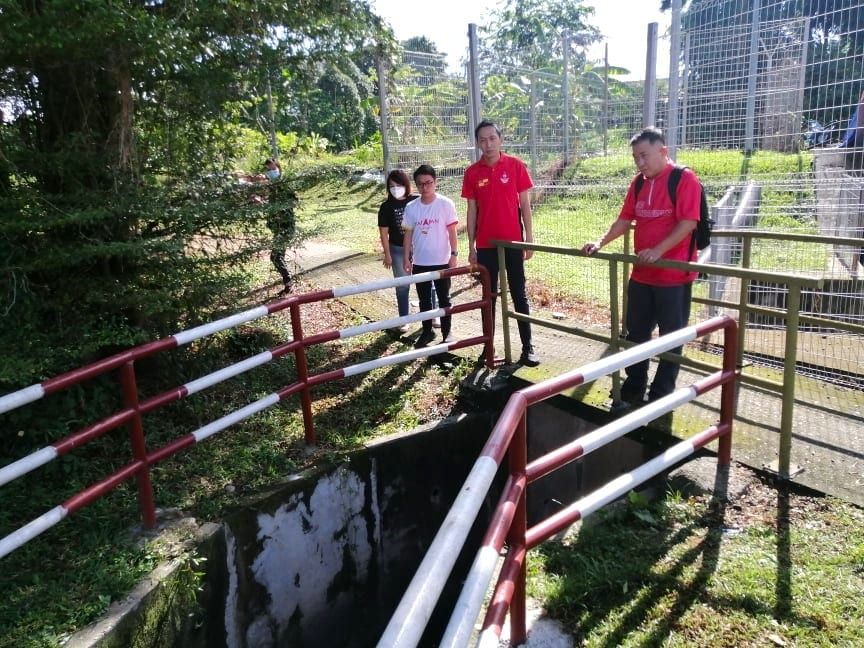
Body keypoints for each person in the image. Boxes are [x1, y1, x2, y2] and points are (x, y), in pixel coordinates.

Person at [582, 127, 701, 407]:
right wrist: (600, 242)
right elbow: (625, 219)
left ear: (663, 151)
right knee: (636, 333)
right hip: (642, 275)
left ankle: (661, 394)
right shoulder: (638, 183)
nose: (640, 162)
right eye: (636, 157)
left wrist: (659, 251)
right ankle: (634, 385)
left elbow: (688, 223)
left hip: (673, 276)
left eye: (644, 155)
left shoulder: (684, 179)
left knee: (671, 338)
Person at [461, 119, 539, 366]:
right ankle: (488, 348)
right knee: (489, 298)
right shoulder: (472, 172)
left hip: (513, 244)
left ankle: (528, 347)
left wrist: (529, 238)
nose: (488, 144)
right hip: (486, 245)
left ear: (500, 139)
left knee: (519, 295)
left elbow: (524, 204)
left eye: (492, 138)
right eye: (483, 140)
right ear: (477, 143)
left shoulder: (515, 166)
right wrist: (471, 246)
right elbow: (472, 211)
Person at [402, 164, 459, 348]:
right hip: (420, 261)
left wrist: (454, 254)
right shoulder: (411, 207)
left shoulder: (445, 204)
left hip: (442, 260)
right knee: (424, 300)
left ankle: (447, 332)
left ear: (435, 182)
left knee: (444, 298)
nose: (425, 187)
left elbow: (452, 232)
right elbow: (408, 234)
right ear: (416, 185)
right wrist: (406, 257)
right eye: (420, 184)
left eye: (428, 183)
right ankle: (427, 331)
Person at [378, 170, 419, 334]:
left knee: (428, 282)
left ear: (406, 185)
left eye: (399, 185)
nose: (395, 189)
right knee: (402, 286)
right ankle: (404, 319)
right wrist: (387, 254)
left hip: (420, 249)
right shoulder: (386, 207)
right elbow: (383, 233)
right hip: (397, 250)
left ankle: (433, 316)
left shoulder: (416, 200)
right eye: (392, 186)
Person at [260, 158, 293, 293]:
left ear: (278, 168)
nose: (270, 172)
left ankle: (289, 283)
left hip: (285, 228)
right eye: (268, 169)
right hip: (278, 229)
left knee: (276, 257)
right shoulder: (272, 191)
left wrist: (281, 211)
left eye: (273, 169)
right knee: (278, 256)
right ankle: (288, 283)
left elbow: (293, 202)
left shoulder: (284, 187)